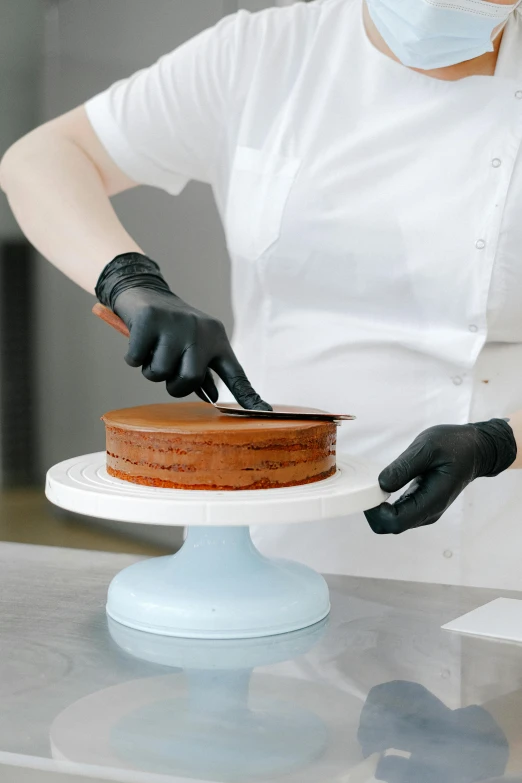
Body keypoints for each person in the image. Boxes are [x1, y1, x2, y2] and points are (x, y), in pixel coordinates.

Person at [2, 0, 522, 588]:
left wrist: (499, 445)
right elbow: (43, 159)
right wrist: (128, 280)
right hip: (277, 523)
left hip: (501, 531)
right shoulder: (261, 52)